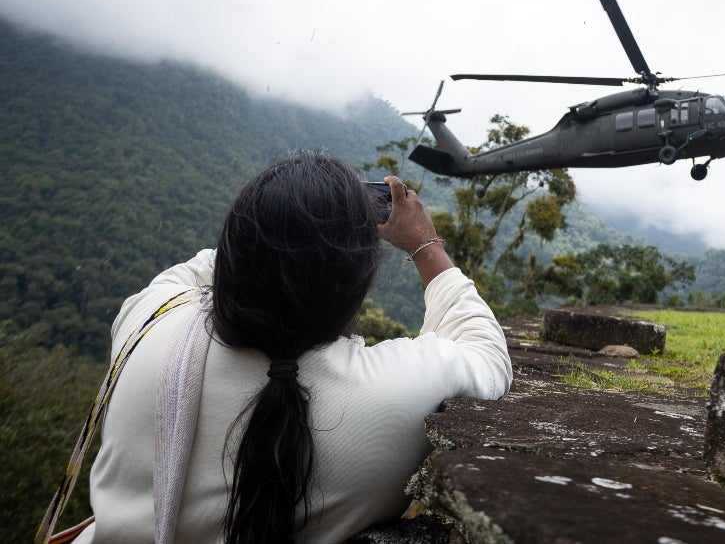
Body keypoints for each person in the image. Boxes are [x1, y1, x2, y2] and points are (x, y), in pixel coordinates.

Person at [74, 150, 513, 543]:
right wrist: (424, 244)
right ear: (356, 284)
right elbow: (486, 350)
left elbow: (194, 273)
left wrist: (273, 224)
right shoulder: (390, 396)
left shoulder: (148, 324)